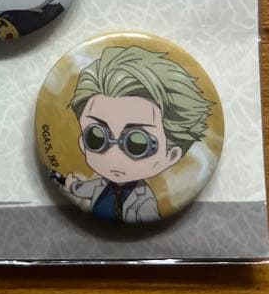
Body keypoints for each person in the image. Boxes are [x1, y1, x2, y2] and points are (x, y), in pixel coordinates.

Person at [62, 46, 212, 223]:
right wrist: (71, 185)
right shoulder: (100, 184)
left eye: (137, 143)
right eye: (96, 137)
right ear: (83, 143)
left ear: (170, 156)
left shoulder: (145, 202)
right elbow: (81, 189)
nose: (114, 154)